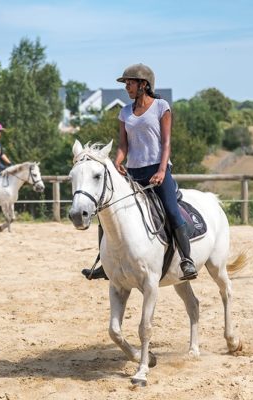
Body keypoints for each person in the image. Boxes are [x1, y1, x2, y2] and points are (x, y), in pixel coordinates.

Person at [82, 63, 198, 281]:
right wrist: (117, 161)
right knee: (107, 214)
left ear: (143, 84)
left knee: (171, 211)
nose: (126, 87)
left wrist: (163, 170)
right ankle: (103, 263)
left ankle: (186, 260)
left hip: (157, 170)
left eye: (130, 82)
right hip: (133, 173)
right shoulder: (124, 112)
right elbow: (123, 146)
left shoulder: (161, 107)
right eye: (126, 83)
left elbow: (166, 143)